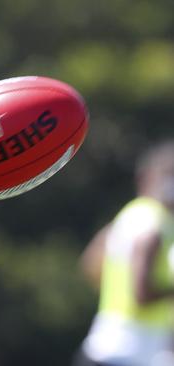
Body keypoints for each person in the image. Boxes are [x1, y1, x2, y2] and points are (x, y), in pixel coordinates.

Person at [76, 141, 174, 366]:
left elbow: (91, 263)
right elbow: (142, 294)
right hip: (131, 353)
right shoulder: (155, 223)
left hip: (105, 344)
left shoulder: (129, 214)